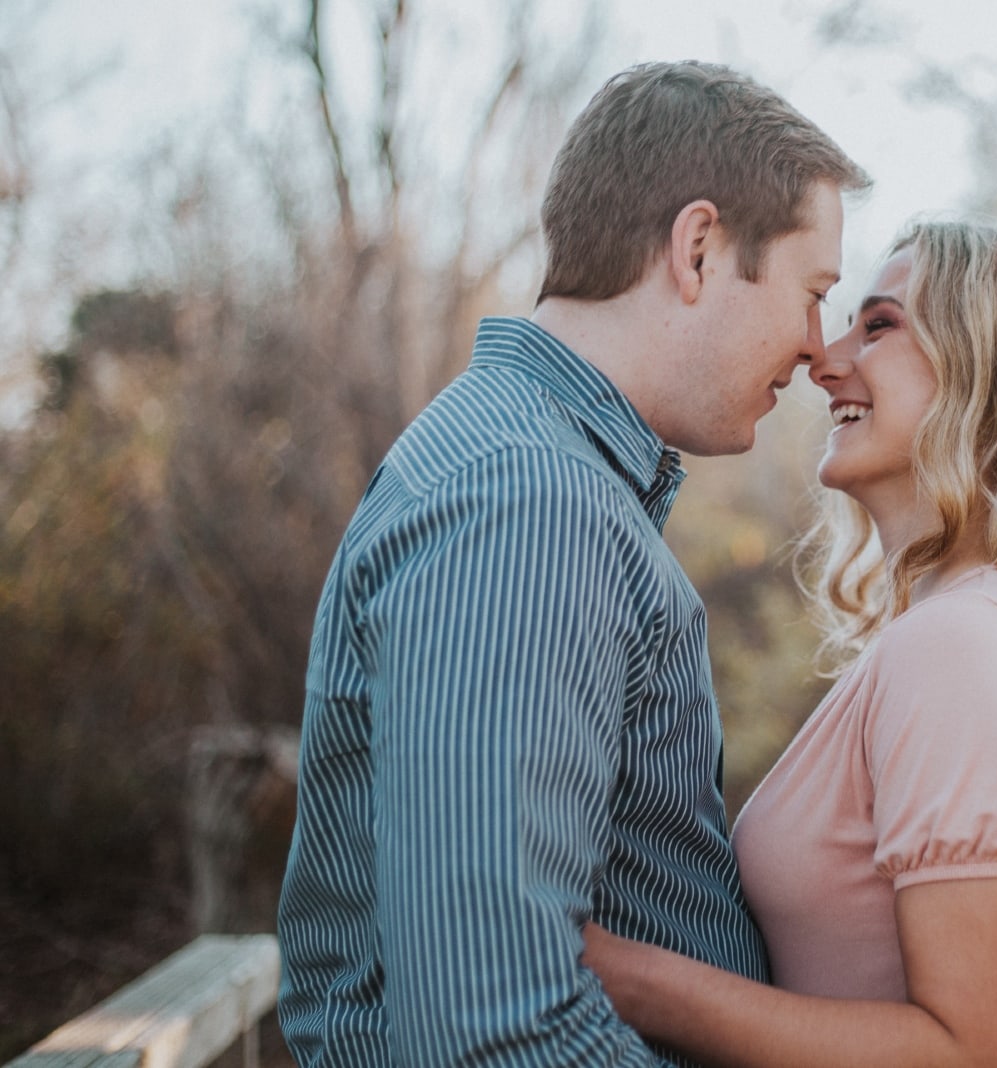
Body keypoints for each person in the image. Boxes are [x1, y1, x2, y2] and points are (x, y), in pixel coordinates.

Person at [276, 61, 870, 1066]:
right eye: (812, 293)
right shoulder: (526, 502)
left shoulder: (542, 480)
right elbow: (495, 1031)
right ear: (697, 249)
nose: (818, 350)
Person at [581, 218, 997, 1068]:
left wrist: (620, 975)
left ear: (995, 374)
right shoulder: (968, 631)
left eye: (877, 325)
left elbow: (979, 1052)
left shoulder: (969, 647)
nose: (822, 357)